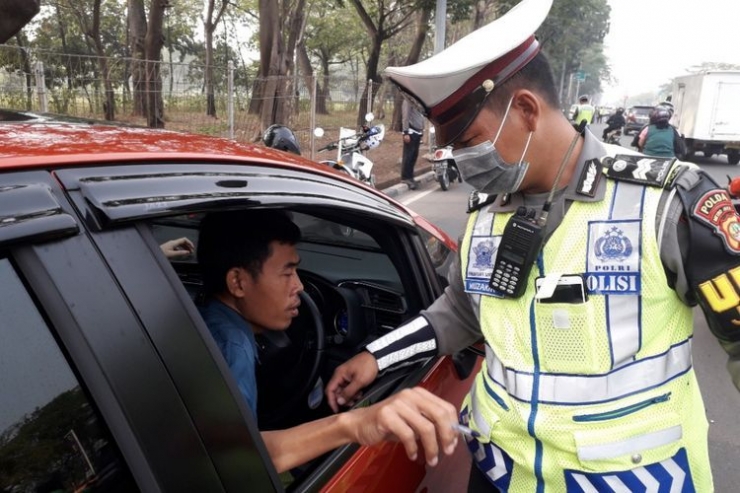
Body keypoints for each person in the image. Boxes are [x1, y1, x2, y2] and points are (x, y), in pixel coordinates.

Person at [325, 0, 740, 490]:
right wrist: (377, 357)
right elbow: (461, 311)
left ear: (525, 109)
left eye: (470, 140)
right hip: (500, 473)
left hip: (631, 480)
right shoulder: (486, 212)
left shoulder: (667, 203)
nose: (460, 160)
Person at [195, 209, 459, 474]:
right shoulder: (232, 347)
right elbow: (238, 460)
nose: (299, 286)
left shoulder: (205, 317)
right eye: (287, 273)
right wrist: (354, 423)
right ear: (238, 282)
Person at [401, 97, 424, 189]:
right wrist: (405, 132)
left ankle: (411, 177)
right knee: (408, 155)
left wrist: (422, 129)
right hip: (410, 131)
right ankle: (406, 177)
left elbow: (421, 116)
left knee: (414, 155)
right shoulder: (407, 101)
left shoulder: (418, 101)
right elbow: (405, 117)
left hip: (418, 132)